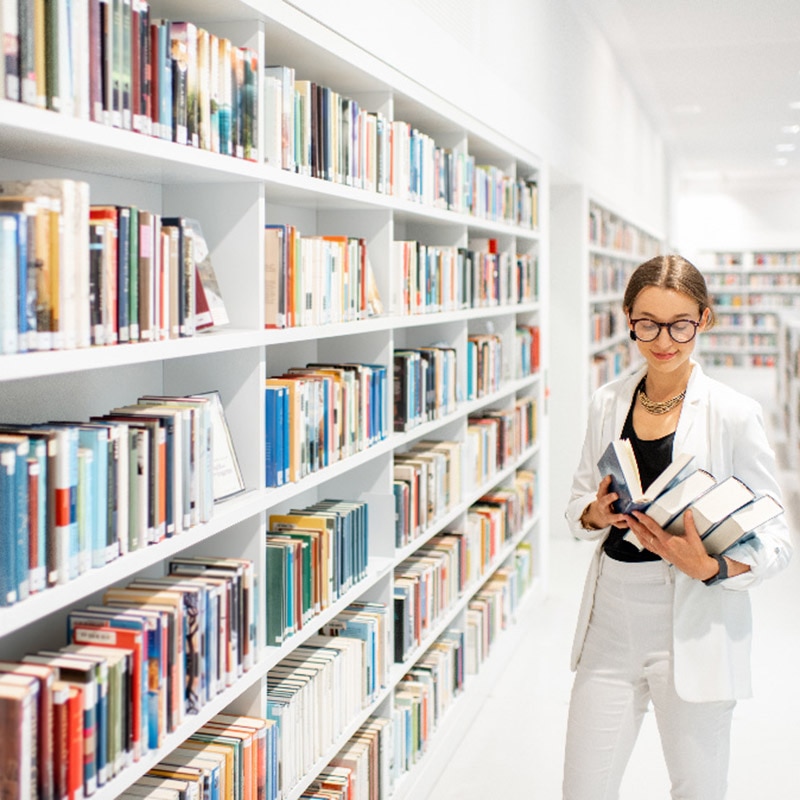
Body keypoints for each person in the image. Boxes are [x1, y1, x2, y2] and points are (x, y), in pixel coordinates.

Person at [562, 254, 793, 800]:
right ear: (627, 318)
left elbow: (778, 540)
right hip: (610, 619)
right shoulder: (607, 401)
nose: (663, 340)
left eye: (680, 324)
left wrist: (713, 567)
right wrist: (596, 513)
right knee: (583, 788)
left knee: (698, 788)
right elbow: (577, 505)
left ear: (704, 320)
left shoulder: (734, 413)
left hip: (692, 617)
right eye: (647, 323)